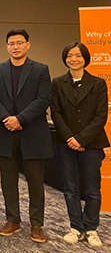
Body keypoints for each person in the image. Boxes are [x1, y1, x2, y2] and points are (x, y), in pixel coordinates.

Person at [0, 29, 52, 242]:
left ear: (27, 44)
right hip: (5, 132)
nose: (15, 47)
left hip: (33, 133)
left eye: (19, 42)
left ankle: (36, 224)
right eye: (11, 43)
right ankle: (13, 220)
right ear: (7, 46)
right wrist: (7, 118)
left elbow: (43, 99)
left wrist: (20, 119)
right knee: (8, 181)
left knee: (35, 182)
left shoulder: (41, 69)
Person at [51, 42, 109, 248]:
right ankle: (76, 227)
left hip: (92, 143)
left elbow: (101, 115)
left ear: (85, 58)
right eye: (69, 56)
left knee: (92, 189)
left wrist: (82, 139)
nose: (73, 59)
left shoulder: (98, 83)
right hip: (66, 143)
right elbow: (55, 113)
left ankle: (91, 228)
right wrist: (70, 138)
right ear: (64, 58)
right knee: (70, 187)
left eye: (77, 55)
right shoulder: (58, 83)